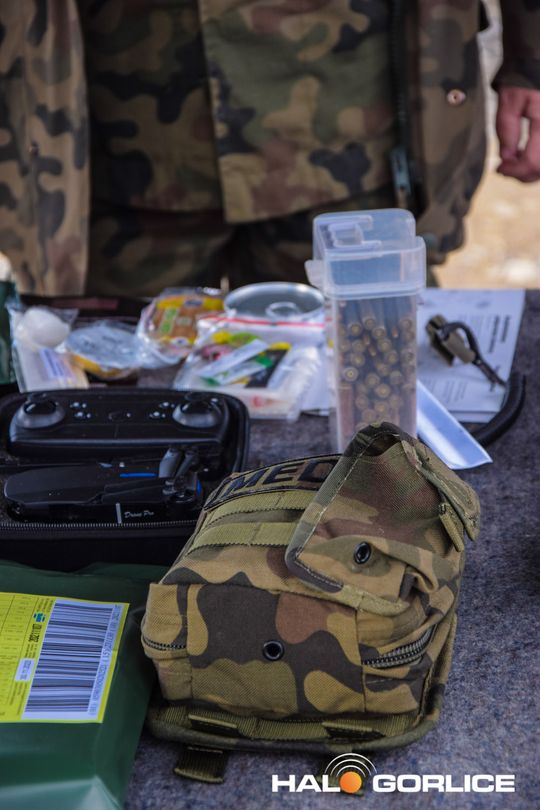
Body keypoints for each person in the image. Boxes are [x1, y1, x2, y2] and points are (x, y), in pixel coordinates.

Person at [0, 1, 539, 297]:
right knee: (113, 406)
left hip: (355, 137)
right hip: (119, 140)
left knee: (373, 401)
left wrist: (532, 60)